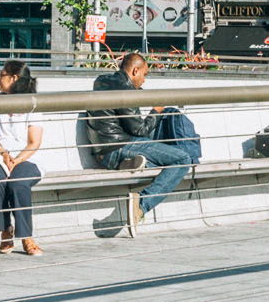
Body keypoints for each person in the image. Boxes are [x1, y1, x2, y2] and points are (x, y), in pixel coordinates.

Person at [83, 51, 194, 216]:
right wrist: (156, 111)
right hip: (119, 147)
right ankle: (141, 205)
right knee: (183, 160)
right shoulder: (125, 90)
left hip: (102, 153)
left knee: (166, 165)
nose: (144, 79)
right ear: (135, 71)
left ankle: (128, 162)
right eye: (144, 74)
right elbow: (139, 130)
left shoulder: (101, 81)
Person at [0, 60, 47, 255]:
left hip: (26, 158)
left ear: (14, 78)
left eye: (1, 75)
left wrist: (16, 160)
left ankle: (27, 236)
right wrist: (2, 152)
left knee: (18, 183)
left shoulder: (32, 105)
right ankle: (6, 230)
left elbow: (34, 142)